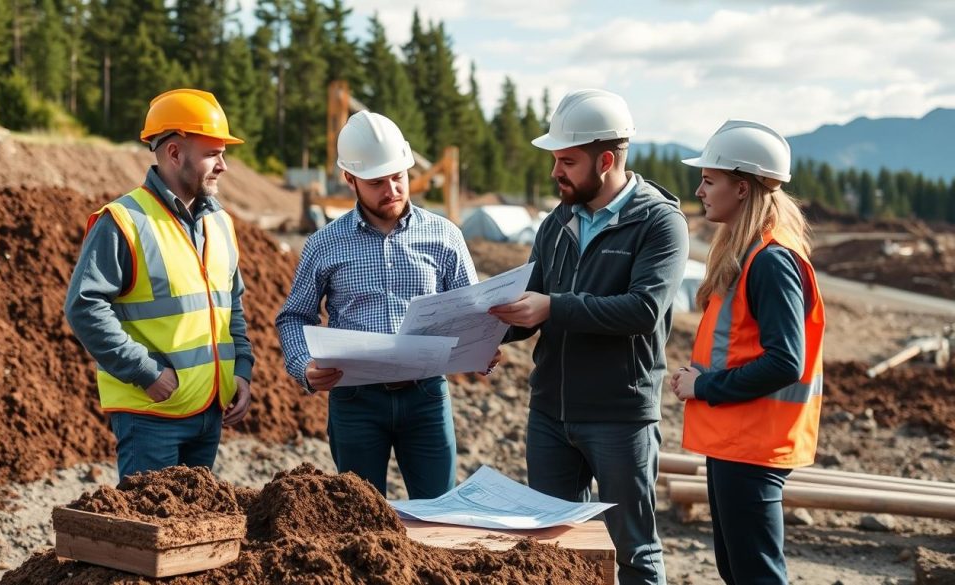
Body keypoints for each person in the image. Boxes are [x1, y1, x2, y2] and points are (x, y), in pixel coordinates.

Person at [489, 88, 688, 585]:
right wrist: (485, 331)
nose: (556, 171)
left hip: (620, 417)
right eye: (555, 159)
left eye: (567, 161)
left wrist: (554, 307)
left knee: (633, 552)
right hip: (550, 415)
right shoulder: (556, 223)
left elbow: (643, 310)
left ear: (605, 160)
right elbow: (530, 301)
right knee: (556, 549)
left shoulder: (659, 222)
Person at [275, 111, 498, 499]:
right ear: (350, 179)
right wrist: (304, 367)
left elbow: (471, 311)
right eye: (377, 182)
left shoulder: (445, 236)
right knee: (361, 520)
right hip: (356, 402)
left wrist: (482, 348)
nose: (392, 189)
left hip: (426, 397)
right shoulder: (324, 243)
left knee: (439, 513)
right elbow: (294, 316)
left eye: (398, 177)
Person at [65, 88, 254, 483]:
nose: (223, 165)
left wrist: (241, 370)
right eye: (212, 153)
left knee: (196, 530)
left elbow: (230, 305)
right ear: (174, 153)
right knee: (150, 534)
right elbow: (84, 306)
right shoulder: (123, 220)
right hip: (152, 417)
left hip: (209, 412)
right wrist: (145, 371)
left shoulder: (220, 223)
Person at [670, 120, 826, 584]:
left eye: (709, 180)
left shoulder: (772, 260)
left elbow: (785, 361)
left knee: (754, 574)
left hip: (753, 446)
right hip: (736, 440)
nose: (699, 189)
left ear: (741, 188)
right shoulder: (751, 252)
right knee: (737, 570)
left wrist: (705, 386)